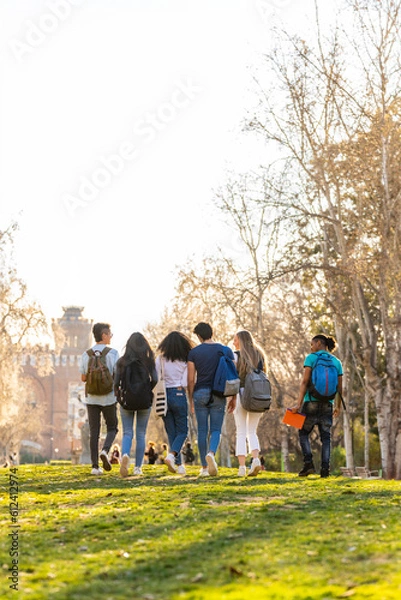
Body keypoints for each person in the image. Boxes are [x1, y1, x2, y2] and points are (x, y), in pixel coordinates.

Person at [187, 322, 236, 477]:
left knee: (202, 430)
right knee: (216, 429)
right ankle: (211, 453)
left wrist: (191, 399)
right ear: (211, 332)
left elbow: (190, 380)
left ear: (199, 336)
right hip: (218, 393)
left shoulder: (194, 353)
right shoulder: (225, 350)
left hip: (200, 392)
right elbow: (233, 375)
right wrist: (233, 397)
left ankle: (204, 468)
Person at [290, 334, 343, 478]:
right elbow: (340, 388)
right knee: (326, 437)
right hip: (328, 404)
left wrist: (298, 404)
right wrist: (337, 406)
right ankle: (325, 470)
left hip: (311, 402)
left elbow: (304, 382)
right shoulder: (336, 361)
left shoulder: (311, 358)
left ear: (319, 343)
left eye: (312, 344)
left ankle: (308, 464)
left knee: (303, 433)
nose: (311, 347)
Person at [114, 332, 157, 477]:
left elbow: (116, 383)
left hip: (127, 400)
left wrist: (120, 396)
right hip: (144, 401)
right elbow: (155, 379)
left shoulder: (121, 361)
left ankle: (125, 455)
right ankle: (138, 467)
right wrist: (147, 389)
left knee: (127, 432)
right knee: (141, 433)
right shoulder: (149, 361)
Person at [80, 322, 119, 475]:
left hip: (91, 398)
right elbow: (117, 375)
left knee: (94, 431)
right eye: (110, 334)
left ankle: (95, 467)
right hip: (109, 397)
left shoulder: (86, 354)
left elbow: (83, 377)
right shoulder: (113, 353)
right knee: (112, 427)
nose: (111, 337)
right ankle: (105, 450)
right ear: (104, 335)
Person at [156, 331, 194, 475]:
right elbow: (185, 382)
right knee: (183, 431)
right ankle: (172, 456)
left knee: (172, 432)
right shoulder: (184, 361)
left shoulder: (160, 359)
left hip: (163, 396)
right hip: (178, 394)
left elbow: (156, 377)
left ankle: (179, 465)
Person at [233, 330, 267, 477]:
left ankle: (241, 467)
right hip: (258, 394)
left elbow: (233, 378)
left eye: (235, 340)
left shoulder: (236, 355)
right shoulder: (260, 354)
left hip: (241, 394)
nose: (234, 342)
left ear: (240, 340)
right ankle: (255, 460)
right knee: (252, 431)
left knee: (240, 431)